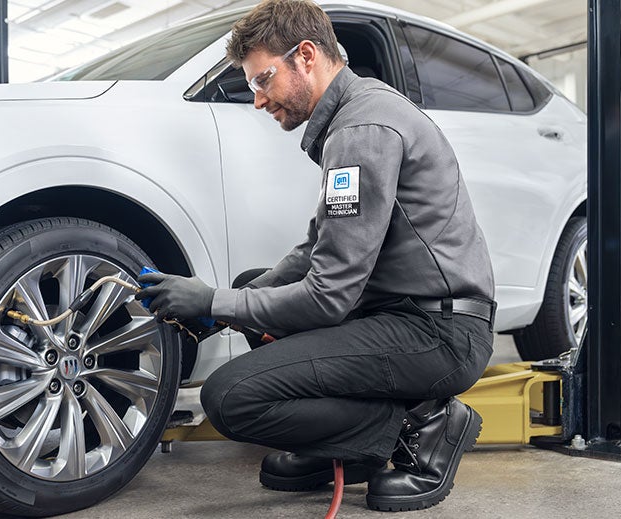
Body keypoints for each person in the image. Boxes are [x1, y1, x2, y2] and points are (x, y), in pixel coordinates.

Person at [135, 0, 496, 511]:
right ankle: (349, 449)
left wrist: (216, 301)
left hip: (437, 332)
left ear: (306, 56)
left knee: (228, 398)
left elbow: (328, 298)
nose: (258, 100)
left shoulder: (362, 130)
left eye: (263, 80)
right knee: (254, 281)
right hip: (399, 313)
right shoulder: (355, 115)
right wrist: (231, 301)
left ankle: (421, 427)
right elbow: (314, 248)